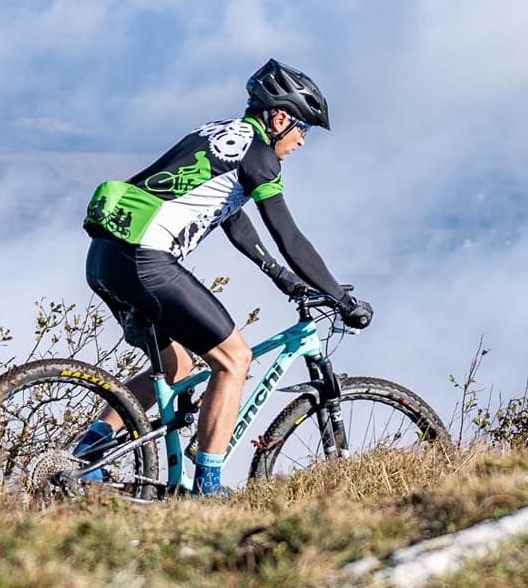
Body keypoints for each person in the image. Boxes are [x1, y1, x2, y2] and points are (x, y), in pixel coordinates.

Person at [81, 58, 372, 495]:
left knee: (177, 367)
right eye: (303, 129)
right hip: (147, 260)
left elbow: (230, 215)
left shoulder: (214, 133)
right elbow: (289, 236)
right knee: (234, 358)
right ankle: (208, 488)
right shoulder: (260, 158)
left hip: (106, 257)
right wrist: (341, 298)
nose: (302, 142)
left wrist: (277, 275)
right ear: (279, 118)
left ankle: (88, 455)